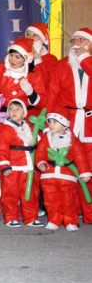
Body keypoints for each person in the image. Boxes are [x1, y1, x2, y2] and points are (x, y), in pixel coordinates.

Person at [45, 28, 92, 224]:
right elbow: (52, 94)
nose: (77, 43)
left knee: (88, 168)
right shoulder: (61, 66)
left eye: (82, 40)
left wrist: (85, 60)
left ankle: (89, 214)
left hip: (89, 122)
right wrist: (49, 122)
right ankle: (72, 213)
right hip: (68, 122)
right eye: (74, 40)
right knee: (69, 169)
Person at [36, 110, 92, 231]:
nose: (50, 124)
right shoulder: (46, 138)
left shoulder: (72, 139)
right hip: (49, 175)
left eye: (54, 122)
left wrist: (84, 172)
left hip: (67, 176)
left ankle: (70, 220)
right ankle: (53, 219)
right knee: (50, 200)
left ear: (64, 124)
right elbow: (40, 152)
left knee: (68, 201)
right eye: (49, 121)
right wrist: (40, 163)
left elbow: (80, 156)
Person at [0, 99, 42, 228]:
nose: (14, 111)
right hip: (12, 167)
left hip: (28, 167)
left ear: (24, 112)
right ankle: (11, 217)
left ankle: (31, 217)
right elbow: (1, 148)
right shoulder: (5, 129)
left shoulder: (30, 128)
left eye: (18, 109)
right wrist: (4, 165)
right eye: (11, 109)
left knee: (30, 193)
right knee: (10, 194)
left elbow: (38, 144)